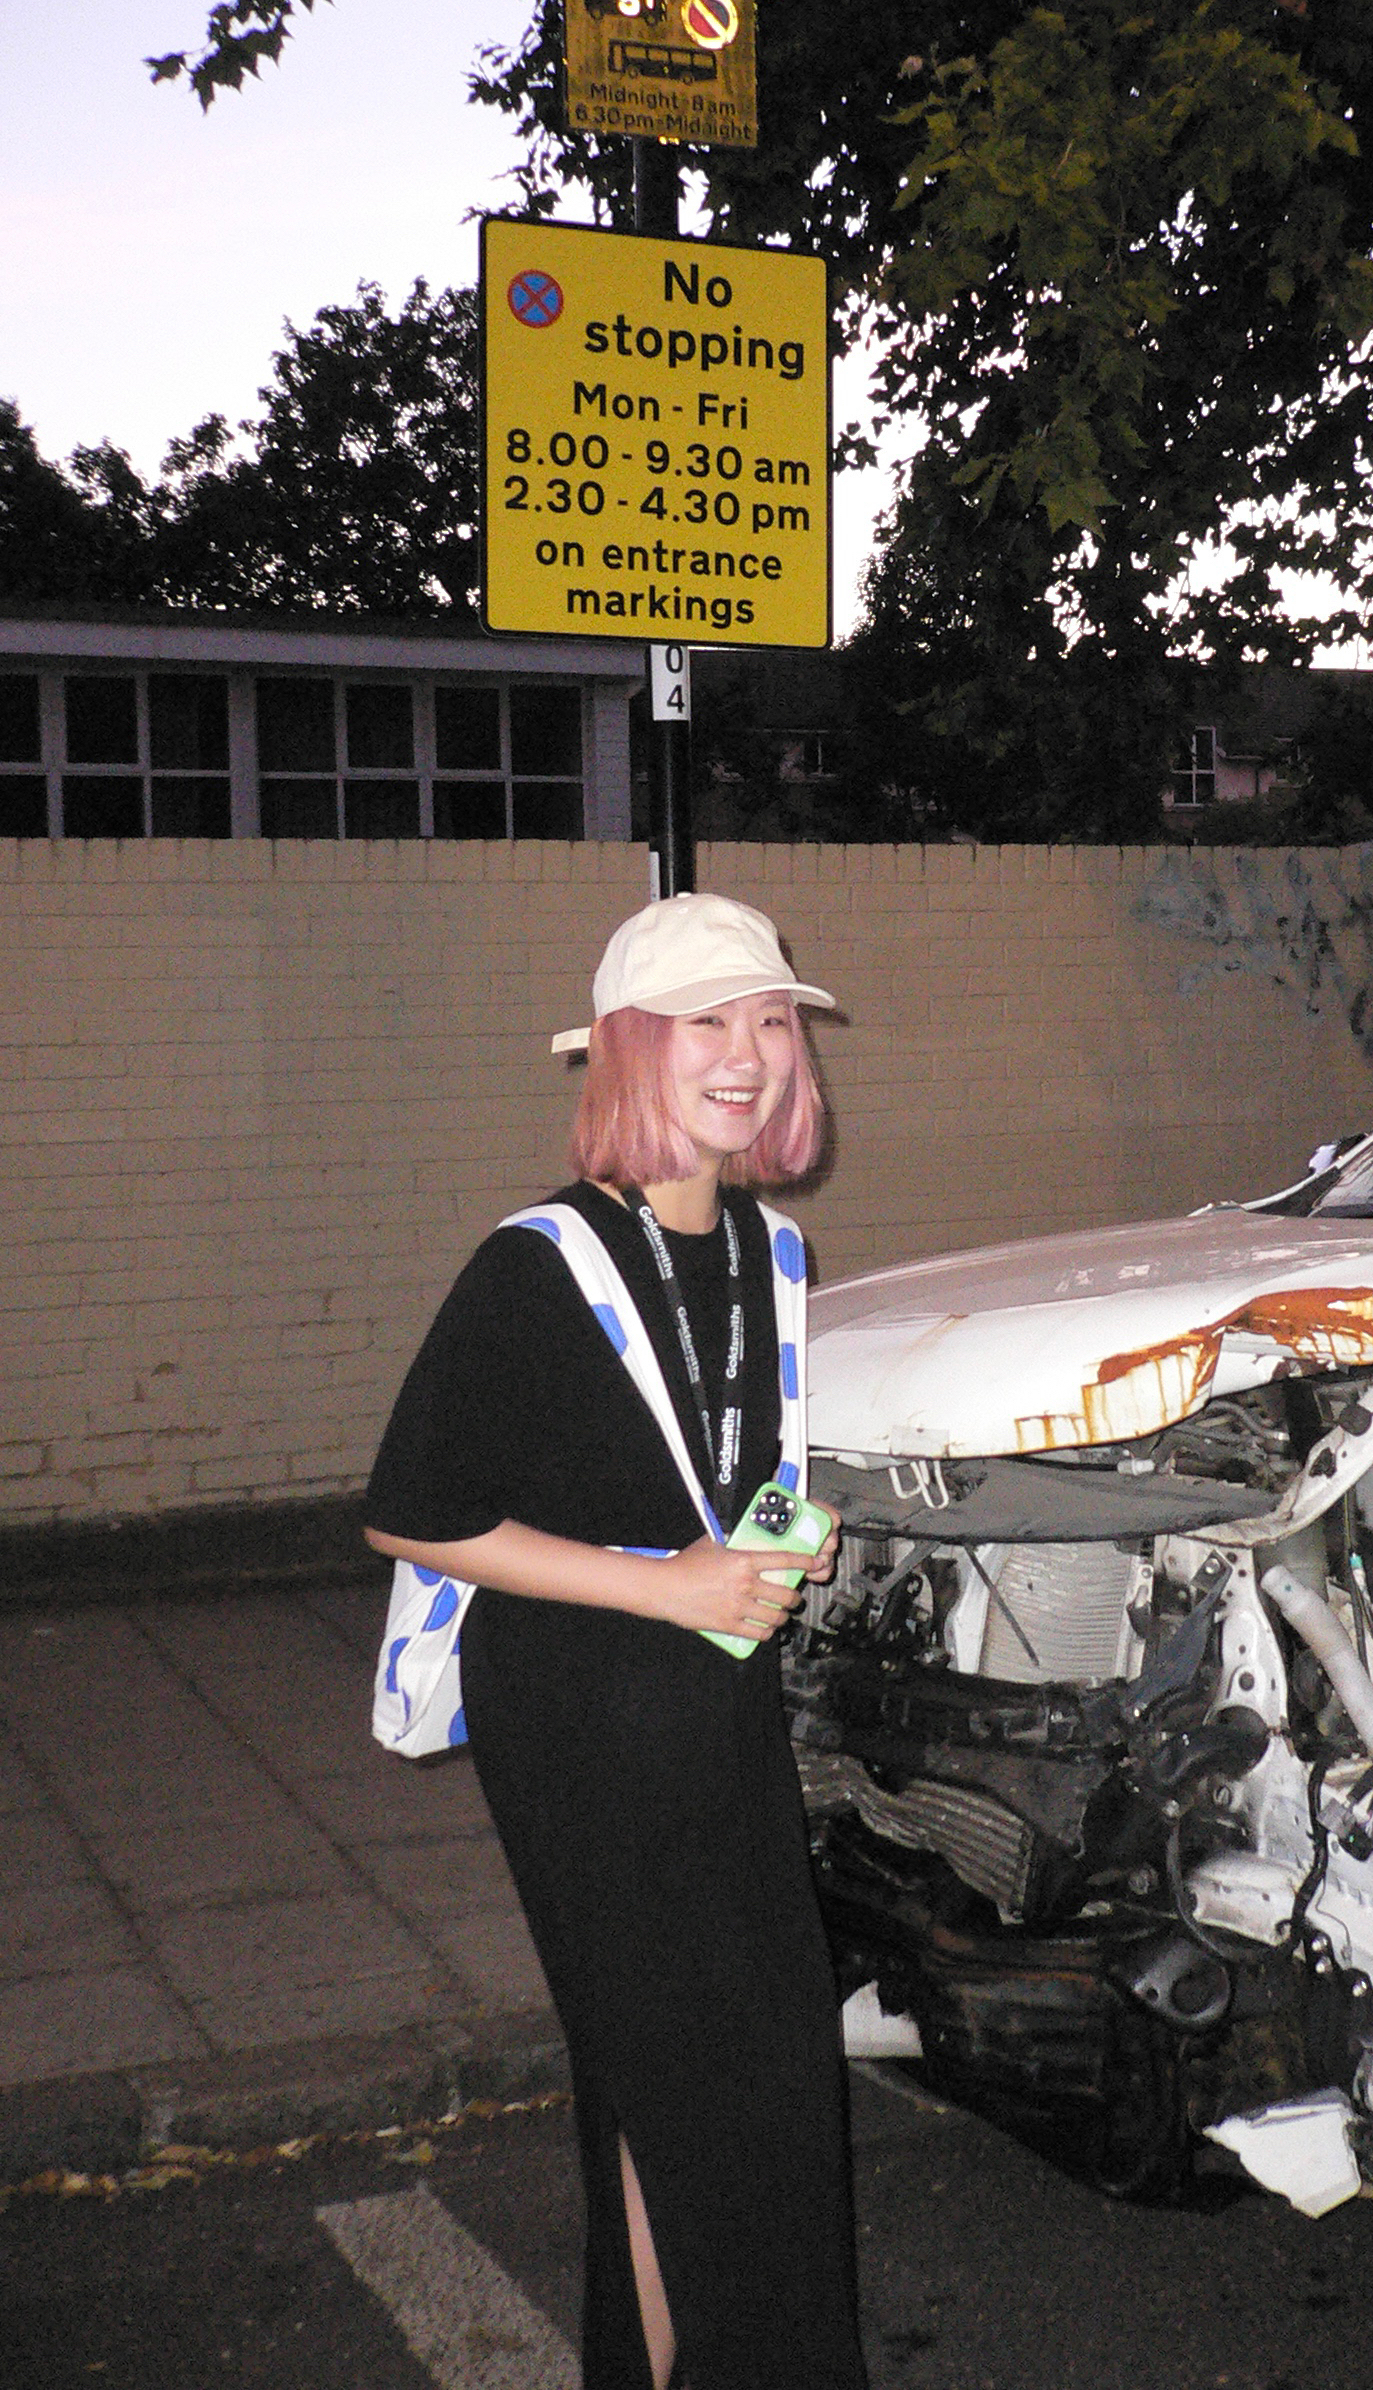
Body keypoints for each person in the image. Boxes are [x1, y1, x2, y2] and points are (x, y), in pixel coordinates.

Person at [363, 892, 866, 2390]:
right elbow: (412, 1514)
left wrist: (782, 1536)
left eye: (771, 1020)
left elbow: (718, 1481)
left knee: (755, 2084)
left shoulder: (775, 1255)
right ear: (632, 1051)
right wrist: (670, 1590)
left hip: (719, 1710)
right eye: (707, 1021)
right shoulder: (537, 1262)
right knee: (686, 2097)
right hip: (580, 1722)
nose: (749, 1052)